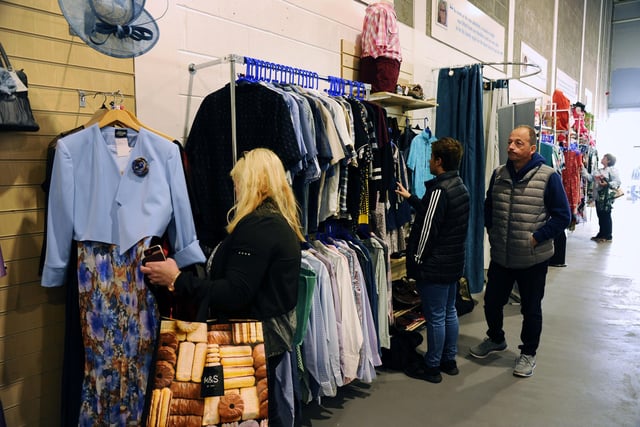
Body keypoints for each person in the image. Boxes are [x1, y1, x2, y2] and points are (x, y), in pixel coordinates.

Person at [141, 148, 305, 426]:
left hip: (249, 337)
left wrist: (177, 279)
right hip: (267, 336)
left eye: (238, 181)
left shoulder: (259, 225)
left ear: (253, 182)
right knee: (260, 405)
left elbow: (234, 293)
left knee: (247, 410)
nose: (235, 188)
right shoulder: (276, 221)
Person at [470, 125, 570, 378]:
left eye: (518, 143)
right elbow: (489, 206)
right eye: (510, 141)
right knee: (491, 302)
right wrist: (491, 231)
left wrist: (537, 237)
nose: (511, 147)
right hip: (502, 256)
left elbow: (562, 217)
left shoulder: (548, 176)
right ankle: (495, 338)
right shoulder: (499, 174)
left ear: (532, 148)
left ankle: (528, 353)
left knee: (531, 308)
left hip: (532, 258)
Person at [395, 137, 470, 384]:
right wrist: (411, 198)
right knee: (448, 312)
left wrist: (414, 261)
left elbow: (427, 230)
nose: (428, 160)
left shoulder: (439, 190)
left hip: (435, 266)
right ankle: (448, 361)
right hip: (451, 263)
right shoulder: (459, 185)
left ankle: (432, 366)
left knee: (436, 315)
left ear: (438, 161)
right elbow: (439, 216)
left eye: (431, 157)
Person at [582, 153, 621, 242]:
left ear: (608, 161)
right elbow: (590, 178)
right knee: (600, 215)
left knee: (606, 216)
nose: (602, 159)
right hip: (598, 197)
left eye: (604, 158)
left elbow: (617, 182)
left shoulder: (612, 170)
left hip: (607, 198)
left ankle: (607, 235)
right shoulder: (599, 170)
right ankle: (601, 233)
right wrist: (582, 168)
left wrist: (607, 184)